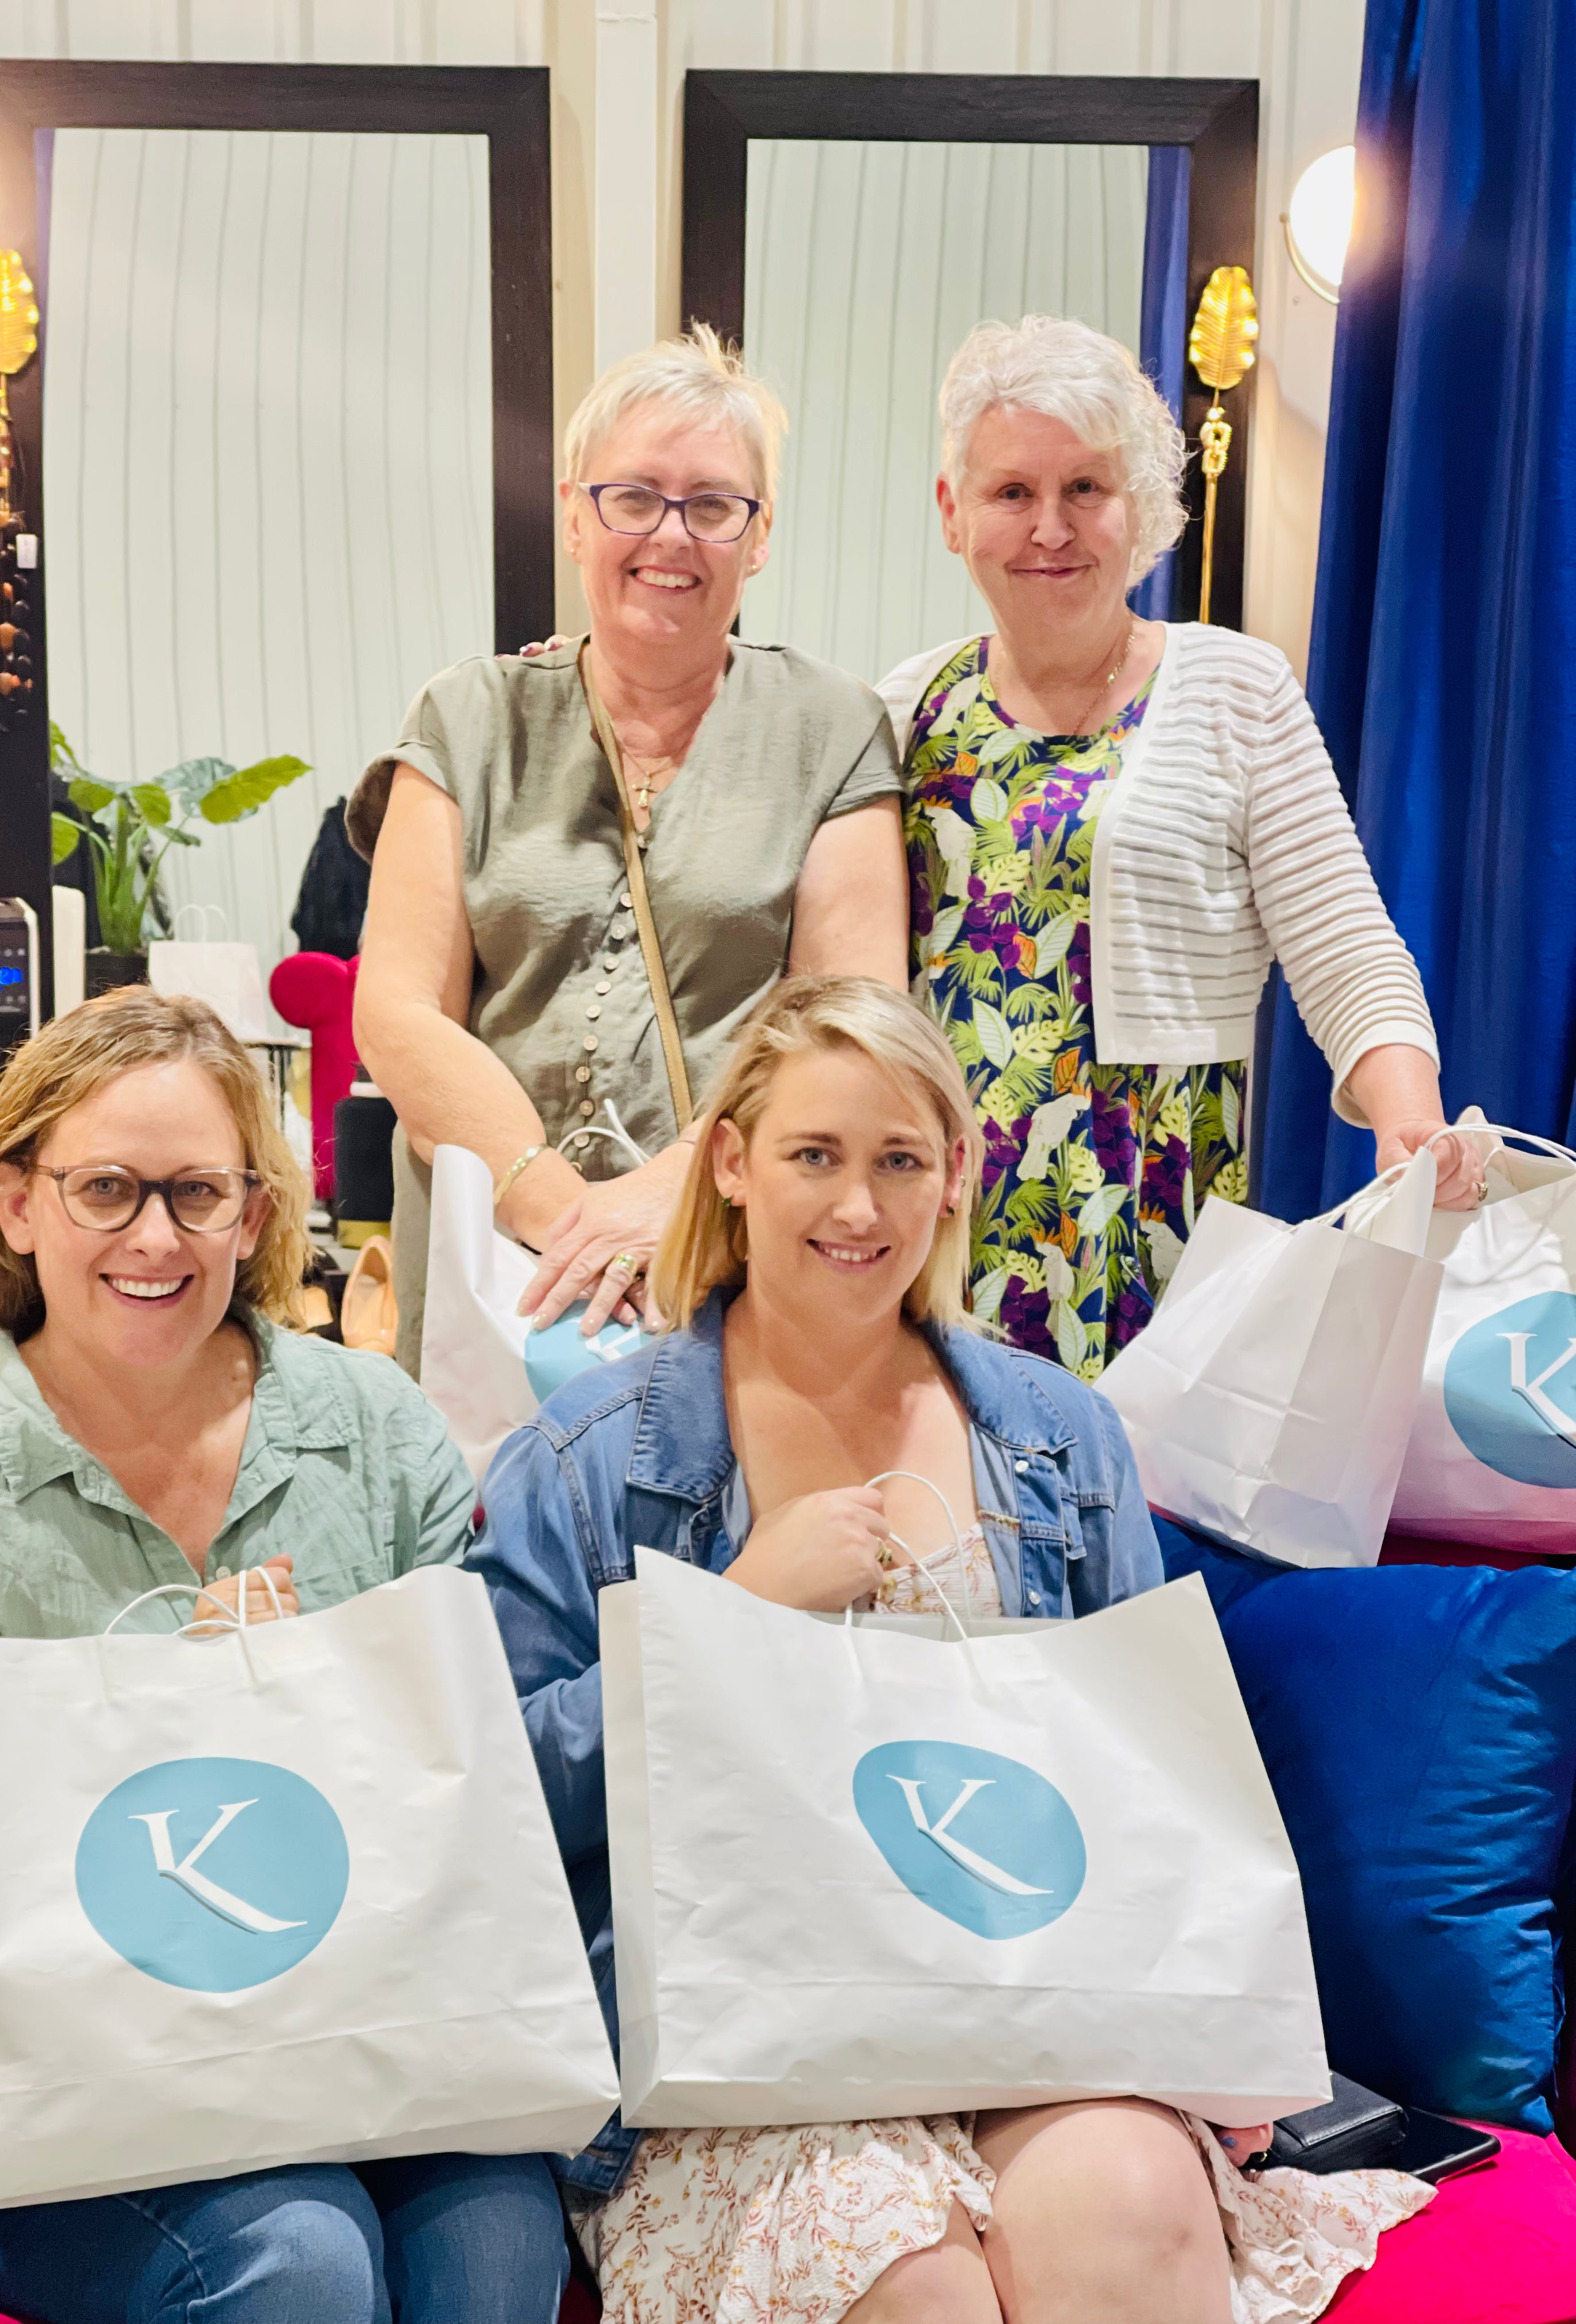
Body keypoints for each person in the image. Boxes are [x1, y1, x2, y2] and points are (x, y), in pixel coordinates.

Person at [470, 977, 1427, 2324]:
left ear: (956, 1176)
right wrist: (730, 1617)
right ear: (732, 1165)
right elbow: (490, 1802)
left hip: (1028, 2009)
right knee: (909, 2280)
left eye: (899, 1161)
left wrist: (1219, 2032)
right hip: (737, 2058)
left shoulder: (1061, 1437)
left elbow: (1153, 1778)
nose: (858, 1209)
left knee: (1135, 2208)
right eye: (815, 1156)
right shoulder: (582, 1458)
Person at [0, 987, 566, 2324]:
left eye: (196, 1194)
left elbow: (478, 1768)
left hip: (377, 2032)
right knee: (303, 2260)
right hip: (77, 2103)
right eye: (106, 1189)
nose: (155, 1237)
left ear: (255, 1214)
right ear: (18, 1204)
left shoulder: (376, 1428)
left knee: (503, 2242)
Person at [879, 313, 1480, 1378]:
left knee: (1140, 1526)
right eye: (1012, 492)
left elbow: (1346, 945)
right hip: (933, 1214)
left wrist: (1410, 1120)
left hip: (1151, 1218)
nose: (1049, 528)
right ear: (950, 513)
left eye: (1086, 490)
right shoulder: (897, 711)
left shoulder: (1236, 690)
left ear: (1143, 508)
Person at [350, 323, 908, 1377]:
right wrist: (562, 1214)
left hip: (727, 1249)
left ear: (761, 534)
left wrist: (674, 1202)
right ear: (574, 514)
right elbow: (396, 1011)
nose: (672, 534)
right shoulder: (466, 717)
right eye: (634, 497)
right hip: (491, 1265)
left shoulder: (833, 729)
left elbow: (849, 1025)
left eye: (713, 505)